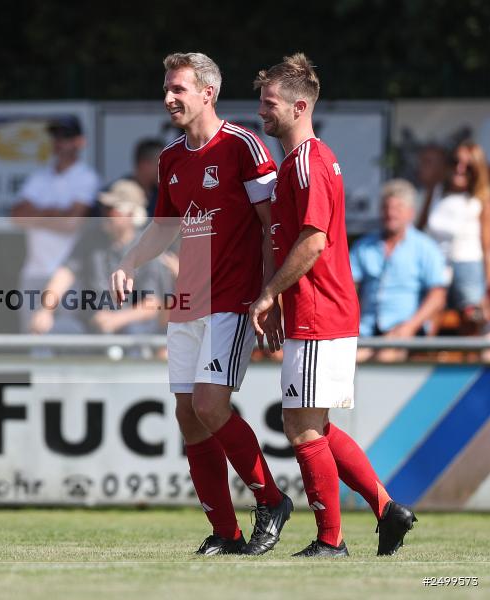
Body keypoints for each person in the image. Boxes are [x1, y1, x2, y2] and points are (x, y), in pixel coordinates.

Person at [111, 52, 292, 557]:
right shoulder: (170, 158)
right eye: (167, 88)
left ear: (207, 93)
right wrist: (129, 261)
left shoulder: (243, 146)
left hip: (232, 300)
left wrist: (270, 294)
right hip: (187, 302)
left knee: (212, 405)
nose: (169, 97)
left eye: (179, 89)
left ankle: (272, 500)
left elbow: (271, 225)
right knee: (189, 416)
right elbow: (164, 227)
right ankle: (226, 532)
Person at [250, 53, 417, 558]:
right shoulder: (296, 164)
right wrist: (278, 298)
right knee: (316, 426)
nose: (262, 111)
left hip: (321, 311)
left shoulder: (309, 163)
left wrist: (269, 293)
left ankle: (331, 542)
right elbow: (287, 241)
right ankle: (387, 510)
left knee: (300, 426)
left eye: (270, 102)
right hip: (313, 310)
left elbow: (313, 241)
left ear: (300, 106)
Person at [30, 179, 172, 337]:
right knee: (56, 331)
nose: (105, 214)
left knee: (133, 332)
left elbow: (152, 304)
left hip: (133, 329)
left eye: (112, 209)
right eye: (104, 208)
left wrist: (116, 319)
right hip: (91, 323)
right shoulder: (91, 240)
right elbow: (64, 275)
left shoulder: (147, 248)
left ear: (132, 214)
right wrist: (45, 311)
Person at [11, 116, 99, 331]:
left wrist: (37, 215)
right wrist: (56, 212)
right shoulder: (39, 177)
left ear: (80, 142)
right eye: (56, 137)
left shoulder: (86, 177)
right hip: (33, 272)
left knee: (65, 337)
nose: (59, 142)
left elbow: (71, 223)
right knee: (31, 340)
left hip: (68, 274)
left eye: (66, 137)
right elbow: (16, 217)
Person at [350, 179, 448, 362]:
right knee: (344, 361)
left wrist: (410, 326)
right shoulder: (363, 246)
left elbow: (437, 296)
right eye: (386, 207)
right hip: (366, 331)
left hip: (406, 331)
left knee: (385, 357)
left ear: (411, 213)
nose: (391, 213)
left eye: (398, 208)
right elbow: (348, 288)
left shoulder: (426, 248)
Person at [424, 141, 490, 333]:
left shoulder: (481, 200)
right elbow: (420, 229)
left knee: (471, 318)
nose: (459, 169)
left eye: (467, 166)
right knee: (430, 314)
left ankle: (471, 361)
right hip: (436, 265)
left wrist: (488, 287)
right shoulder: (437, 192)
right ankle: (424, 359)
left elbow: (487, 247)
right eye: (455, 162)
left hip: (468, 266)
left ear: (477, 170)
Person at [414, 144, 448, 230]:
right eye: (421, 162)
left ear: (442, 166)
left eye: (427, 162)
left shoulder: (449, 197)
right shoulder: (416, 195)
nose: (421, 167)